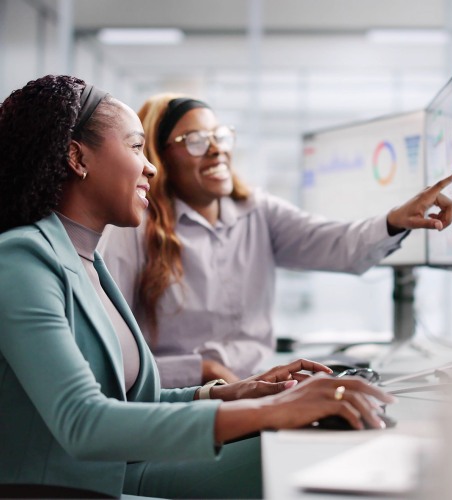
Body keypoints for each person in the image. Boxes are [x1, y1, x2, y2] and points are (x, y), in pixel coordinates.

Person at [0, 75, 397, 500]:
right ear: (77, 158)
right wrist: (271, 408)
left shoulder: (88, 259)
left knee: (316, 442)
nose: (149, 165)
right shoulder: (22, 260)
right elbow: (84, 424)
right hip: (68, 489)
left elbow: (134, 400)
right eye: (136, 148)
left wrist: (236, 393)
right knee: (298, 453)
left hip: (112, 475)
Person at [99, 93, 452, 389]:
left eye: (220, 136)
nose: (215, 150)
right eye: (194, 141)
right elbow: (112, 354)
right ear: (160, 157)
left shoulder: (257, 210)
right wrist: (201, 371)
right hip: (181, 397)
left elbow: (336, 244)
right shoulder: (133, 228)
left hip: (256, 383)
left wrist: (394, 220)